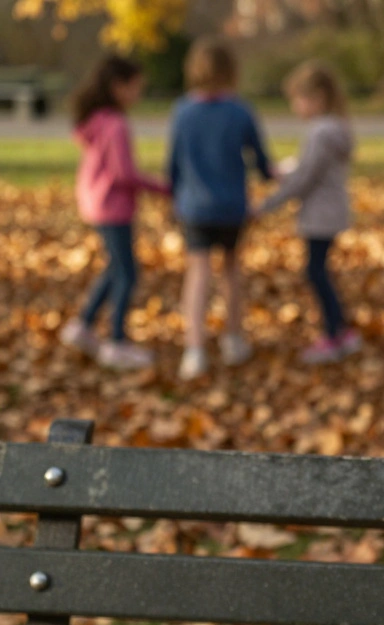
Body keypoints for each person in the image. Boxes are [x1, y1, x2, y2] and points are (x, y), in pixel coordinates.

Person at [167, 37, 273, 380]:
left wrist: (171, 198)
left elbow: (173, 165)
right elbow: (262, 163)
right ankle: (233, 338)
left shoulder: (182, 112)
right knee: (230, 270)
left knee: (197, 273)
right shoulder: (240, 111)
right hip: (231, 206)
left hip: (195, 206)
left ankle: (194, 349)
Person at [59, 55, 170, 371]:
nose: (138, 95)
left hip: (96, 203)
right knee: (127, 273)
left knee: (114, 268)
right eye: (136, 88)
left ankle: (84, 325)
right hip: (113, 206)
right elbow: (124, 174)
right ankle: (117, 342)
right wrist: (164, 188)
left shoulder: (98, 120)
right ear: (118, 87)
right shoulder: (116, 123)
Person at [255, 61, 361, 364]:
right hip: (330, 211)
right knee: (320, 272)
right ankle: (341, 330)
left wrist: (267, 205)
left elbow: (305, 178)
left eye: (297, 99)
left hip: (320, 215)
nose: (294, 106)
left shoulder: (320, 132)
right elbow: (310, 168)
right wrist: (287, 170)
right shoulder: (336, 128)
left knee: (315, 273)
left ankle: (333, 335)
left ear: (316, 97)